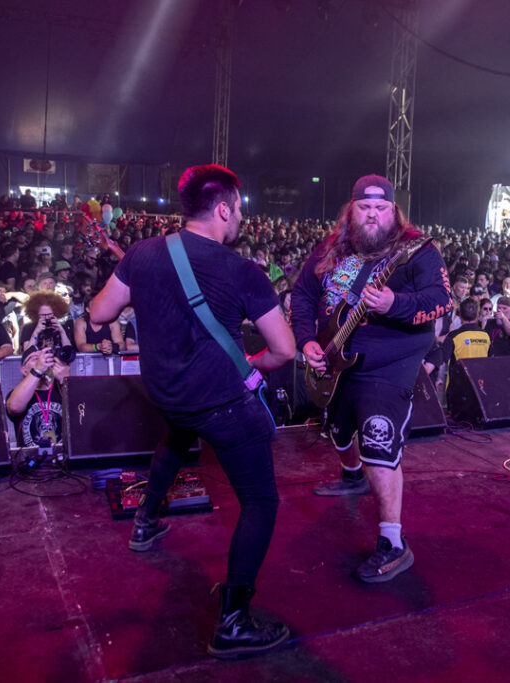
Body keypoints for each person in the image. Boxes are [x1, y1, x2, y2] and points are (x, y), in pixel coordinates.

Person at [90, 164, 296, 659]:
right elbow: (284, 350)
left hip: (167, 392)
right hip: (221, 404)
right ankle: (234, 621)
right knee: (261, 503)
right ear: (224, 208)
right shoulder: (242, 270)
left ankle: (145, 521)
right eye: (240, 209)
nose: (241, 218)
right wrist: (252, 362)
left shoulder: (141, 254)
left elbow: (98, 314)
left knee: (177, 437)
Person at [291, 174, 451, 584]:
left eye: (381, 208)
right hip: (335, 356)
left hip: (389, 364)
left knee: (378, 441)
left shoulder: (418, 250)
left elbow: (440, 301)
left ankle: (393, 543)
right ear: (352, 209)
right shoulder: (331, 248)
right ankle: (350, 476)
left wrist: (394, 302)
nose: (373, 215)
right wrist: (308, 340)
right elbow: (305, 295)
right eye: (365, 207)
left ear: (394, 212)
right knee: (339, 428)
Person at [6, 348, 70, 448]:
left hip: (63, 458)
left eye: (46, 357)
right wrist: (37, 370)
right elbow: (15, 407)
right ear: (24, 370)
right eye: (36, 358)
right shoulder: (16, 393)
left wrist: (66, 381)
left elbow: (81, 414)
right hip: (29, 460)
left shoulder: (61, 388)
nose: (42, 361)